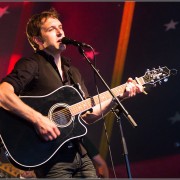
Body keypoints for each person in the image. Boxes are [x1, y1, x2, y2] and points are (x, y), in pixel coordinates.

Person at [0, 8, 143, 178]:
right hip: (51, 160)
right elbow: (3, 93)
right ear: (37, 39)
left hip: (81, 154)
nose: (60, 31)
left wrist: (119, 97)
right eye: (52, 29)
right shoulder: (31, 64)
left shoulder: (73, 72)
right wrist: (38, 119)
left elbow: (88, 115)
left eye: (60, 27)